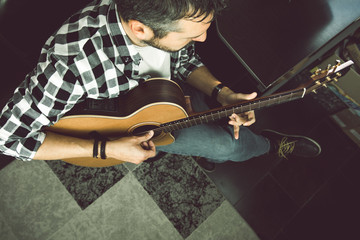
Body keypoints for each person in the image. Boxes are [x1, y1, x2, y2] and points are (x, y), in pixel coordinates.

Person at [0, 0, 321, 172]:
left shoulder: (164, 17)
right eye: (190, 34)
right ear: (140, 29)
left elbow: (182, 61)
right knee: (231, 147)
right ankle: (268, 145)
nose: (204, 39)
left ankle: (213, 151)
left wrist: (221, 92)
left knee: (218, 137)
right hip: (123, 128)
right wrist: (107, 149)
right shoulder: (70, 67)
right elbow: (7, 138)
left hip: (161, 95)